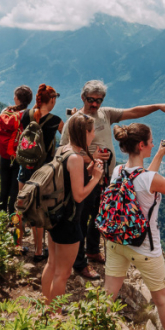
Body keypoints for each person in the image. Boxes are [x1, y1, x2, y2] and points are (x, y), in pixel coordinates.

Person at [60, 79, 165, 280]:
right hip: (83, 177)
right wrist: (92, 157)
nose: (95, 104)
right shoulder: (75, 122)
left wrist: (156, 107)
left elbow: (132, 112)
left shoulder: (105, 114)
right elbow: (62, 151)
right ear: (83, 97)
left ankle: (92, 250)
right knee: (81, 219)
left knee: (100, 215)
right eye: (91, 100)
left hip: (106, 177)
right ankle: (79, 263)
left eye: (99, 100)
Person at [102, 123, 165, 330]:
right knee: (162, 299)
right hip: (145, 248)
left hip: (116, 241)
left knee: (108, 293)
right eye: (151, 142)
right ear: (141, 145)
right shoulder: (150, 179)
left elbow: (140, 179)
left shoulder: (118, 171)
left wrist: (160, 154)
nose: (153, 144)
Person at [41, 113, 104, 306]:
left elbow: (66, 181)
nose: (93, 135)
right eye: (92, 131)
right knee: (64, 272)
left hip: (54, 215)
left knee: (51, 264)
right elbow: (78, 195)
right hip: (68, 220)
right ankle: (55, 315)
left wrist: (88, 172)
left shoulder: (63, 150)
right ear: (84, 132)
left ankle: (46, 306)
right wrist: (96, 178)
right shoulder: (76, 157)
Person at [18, 84, 64, 262]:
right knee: (38, 210)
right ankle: (38, 251)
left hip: (24, 167)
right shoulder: (56, 120)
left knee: (20, 207)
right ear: (52, 100)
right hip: (42, 173)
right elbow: (68, 139)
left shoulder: (25, 115)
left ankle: (17, 245)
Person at [0, 85, 32, 215]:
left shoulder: (6, 111)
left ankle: (0, 216)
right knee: (14, 189)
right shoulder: (28, 115)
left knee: (3, 187)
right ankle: (12, 217)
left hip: (5, 155)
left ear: (16, 98)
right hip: (19, 156)